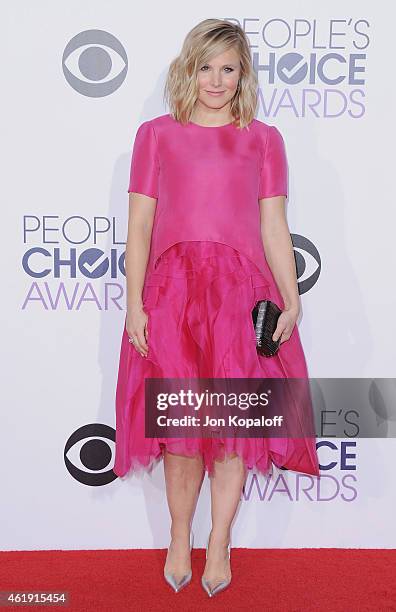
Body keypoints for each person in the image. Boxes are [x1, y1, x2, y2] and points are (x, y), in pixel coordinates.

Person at [114, 18, 320, 598]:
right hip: (173, 295)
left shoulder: (263, 138)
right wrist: (134, 304)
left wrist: (291, 296)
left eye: (228, 68)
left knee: (231, 430)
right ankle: (180, 536)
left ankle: (220, 540)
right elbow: (139, 225)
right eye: (206, 66)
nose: (216, 79)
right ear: (189, 68)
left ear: (242, 74)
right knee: (181, 427)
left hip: (239, 297)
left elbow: (274, 227)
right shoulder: (156, 134)